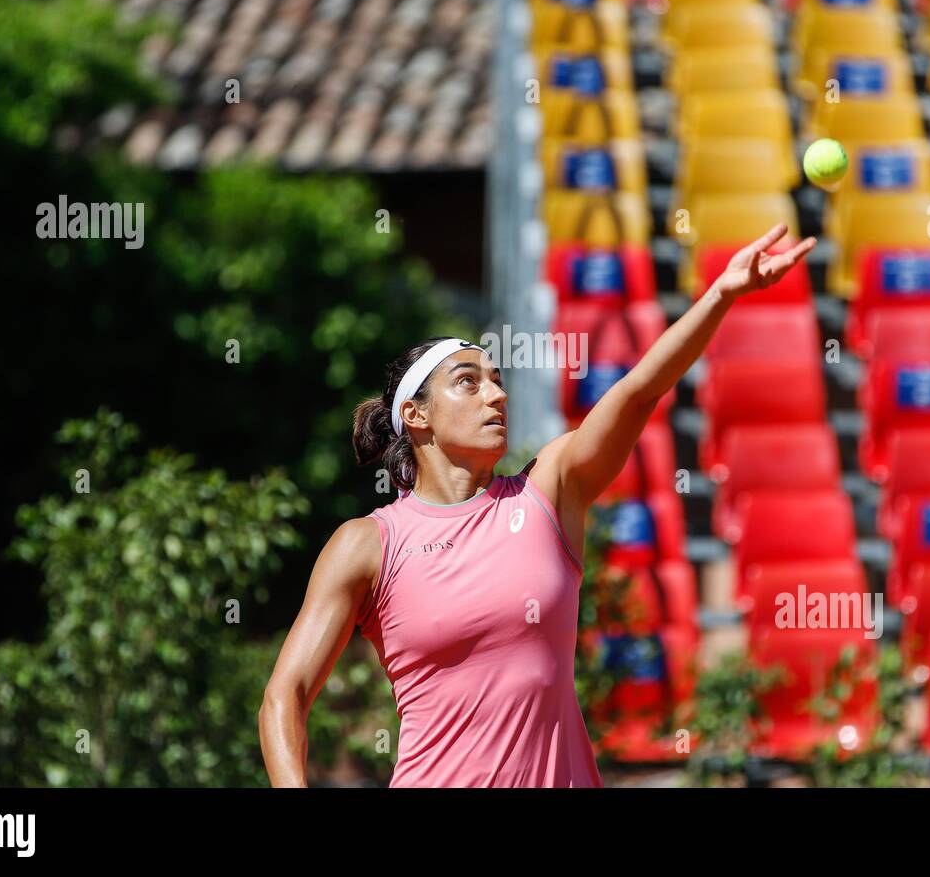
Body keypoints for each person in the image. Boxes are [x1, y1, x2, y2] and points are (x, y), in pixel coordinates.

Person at [258, 223, 815, 787]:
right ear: (416, 416)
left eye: (497, 381)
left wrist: (720, 294)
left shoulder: (548, 492)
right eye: (468, 383)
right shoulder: (367, 543)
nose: (496, 395)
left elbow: (638, 391)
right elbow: (286, 694)